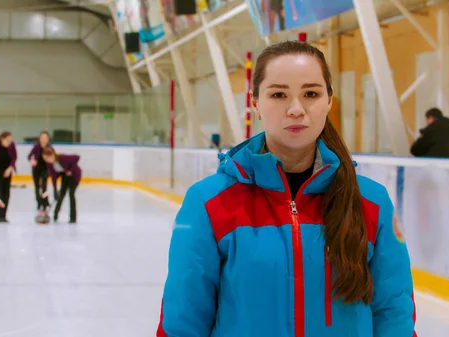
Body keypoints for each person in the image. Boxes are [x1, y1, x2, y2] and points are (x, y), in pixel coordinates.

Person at [156, 40, 416, 337]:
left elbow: (394, 313)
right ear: (255, 102)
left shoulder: (372, 202)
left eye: (311, 94)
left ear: (329, 100)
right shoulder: (208, 203)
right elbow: (183, 319)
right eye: (279, 94)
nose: (296, 109)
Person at [42, 147, 81, 224]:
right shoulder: (50, 164)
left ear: (52, 155)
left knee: (71, 194)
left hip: (74, 176)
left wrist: (71, 170)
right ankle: (55, 215)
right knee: (60, 195)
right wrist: (55, 190)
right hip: (65, 176)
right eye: (44, 158)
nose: (46, 160)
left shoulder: (63, 158)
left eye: (47, 158)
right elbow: (54, 177)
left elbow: (77, 157)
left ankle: (73, 218)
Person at [27, 131, 56, 211]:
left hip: (45, 169)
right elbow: (29, 156)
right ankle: (39, 203)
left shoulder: (50, 147)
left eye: (45, 138)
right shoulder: (36, 146)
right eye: (42, 138)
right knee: (37, 187)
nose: (43, 140)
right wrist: (32, 161)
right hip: (36, 169)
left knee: (44, 186)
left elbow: (54, 158)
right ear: (39, 139)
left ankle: (45, 202)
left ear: (48, 139)